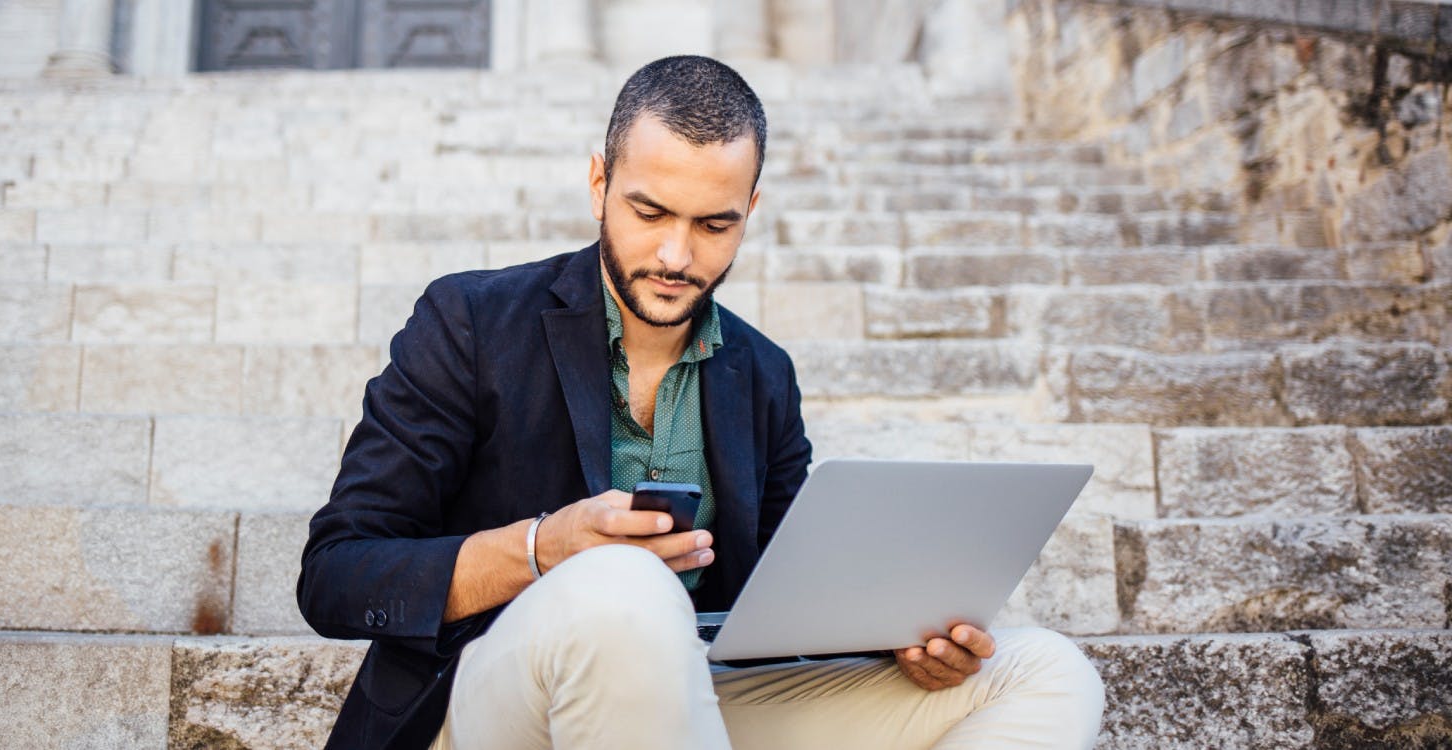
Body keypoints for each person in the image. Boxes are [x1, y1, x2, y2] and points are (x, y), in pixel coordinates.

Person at [297, 55, 1106, 750]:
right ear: (598, 182)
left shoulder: (764, 374)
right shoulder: (470, 322)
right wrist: (544, 549)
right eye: (649, 213)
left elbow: (792, 595)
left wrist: (899, 639)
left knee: (1043, 672)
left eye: (715, 225)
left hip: (696, 698)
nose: (678, 255)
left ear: (750, 212)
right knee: (624, 589)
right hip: (489, 704)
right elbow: (336, 575)